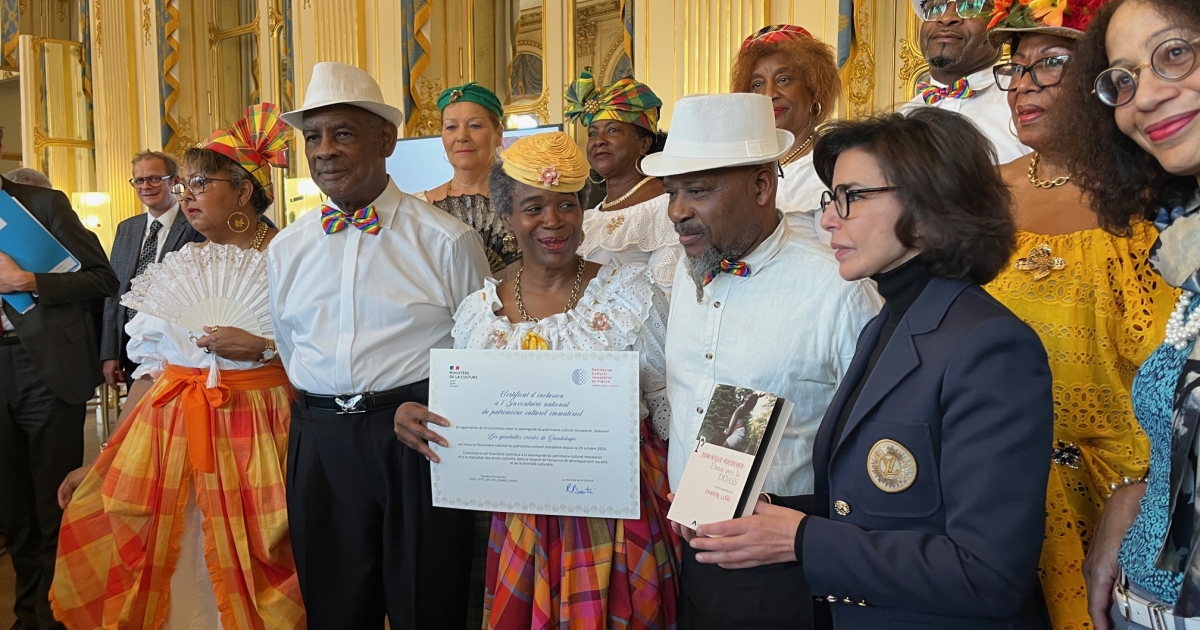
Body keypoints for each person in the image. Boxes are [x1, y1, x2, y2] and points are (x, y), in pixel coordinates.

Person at [679, 108, 1054, 629]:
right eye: (830, 198)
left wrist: (802, 539)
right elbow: (870, 507)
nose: (829, 217)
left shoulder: (989, 345)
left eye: (851, 198)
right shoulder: (893, 319)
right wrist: (763, 513)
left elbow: (987, 573)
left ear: (929, 205)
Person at [393, 130, 681, 629]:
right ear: (506, 217)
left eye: (567, 206)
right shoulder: (478, 314)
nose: (553, 222)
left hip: (621, 510)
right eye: (533, 207)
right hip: (522, 515)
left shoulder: (630, 297)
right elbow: (468, 414)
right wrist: (414, 415)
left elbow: (668, 410)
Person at [49, 103, 302, 630]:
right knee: (173, 555)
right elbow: (152, 373)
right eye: (183, 185)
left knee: (269, 556)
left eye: (200, 184)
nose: (185, 196)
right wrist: (102, 459)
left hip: (262, 432)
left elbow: (330, 355)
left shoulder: (292, 256)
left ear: (243, 190)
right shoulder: (181, 265)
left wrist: (262, 347)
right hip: (169, 436)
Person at [641, 93, 881, 629]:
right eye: (672, 192)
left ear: (761, 185)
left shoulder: (837, 289)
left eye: (698, 190)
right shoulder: (687, 269)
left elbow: (876, 441)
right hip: (695, 546)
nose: (678, 210)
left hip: (786, 552)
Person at [270, 61, 490, 630]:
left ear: (386, 140)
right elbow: (290, 345)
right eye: (313, 137)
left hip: (416, 438)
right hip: (319, 439)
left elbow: (479, 355)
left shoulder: (447, 240)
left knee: (427, 603)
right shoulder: (286, 248)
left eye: (342, 133)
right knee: (333, 607)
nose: (324, 151)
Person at [981, 5, 1180, 629]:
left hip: (1127, 492)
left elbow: (1173, 365)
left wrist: (1140, 486)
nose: (1023, 85)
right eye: (1016, 68)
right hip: (989, 485)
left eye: (1051, 65)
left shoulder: (1156, 194)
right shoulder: (978, 194)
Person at [1050, 0, 1200, 627]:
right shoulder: (1186, 242)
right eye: (1125, 79)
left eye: (1175, 53)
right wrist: (1135, 493)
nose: (1144, 98)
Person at [0, 126, 118, 630]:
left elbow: (103, 278)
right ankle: (29, 616)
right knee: (12, 513)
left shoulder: (40, 205)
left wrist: (27, 282)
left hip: (44, 368)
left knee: (54, 506)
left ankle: (59, 616)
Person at [565, 68, 682, 294]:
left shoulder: (666, 207)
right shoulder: (589, 215)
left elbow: (665, 298)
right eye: (592, 133)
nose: (598, 141)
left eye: (613, 130)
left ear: (644, 144)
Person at [101, 151, 204, 388]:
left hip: (176, 350)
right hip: (132, 347)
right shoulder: (126, 228)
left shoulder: (194, 225)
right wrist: (110, 353)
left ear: (175, 181)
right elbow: (114, 294)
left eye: (155, 178)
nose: (146, 186)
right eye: (139, 180)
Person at [731, 24, 841, 244]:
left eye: (783, 80)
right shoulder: (739, 164)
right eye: (757, 84)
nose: (769, 94)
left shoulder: (836, 165)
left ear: (813, 89)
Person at [902, 0, 1030, 163]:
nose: (946, 17)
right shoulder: (903, 117)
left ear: (1001, 26)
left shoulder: (1027, 100)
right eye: (935, 8)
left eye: (970, 6)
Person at [415, 82, 520, 275]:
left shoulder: (525, 202)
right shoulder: (419, 206)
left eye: (475, 125)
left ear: (498, 134)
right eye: (451, 127)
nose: (462, 136)